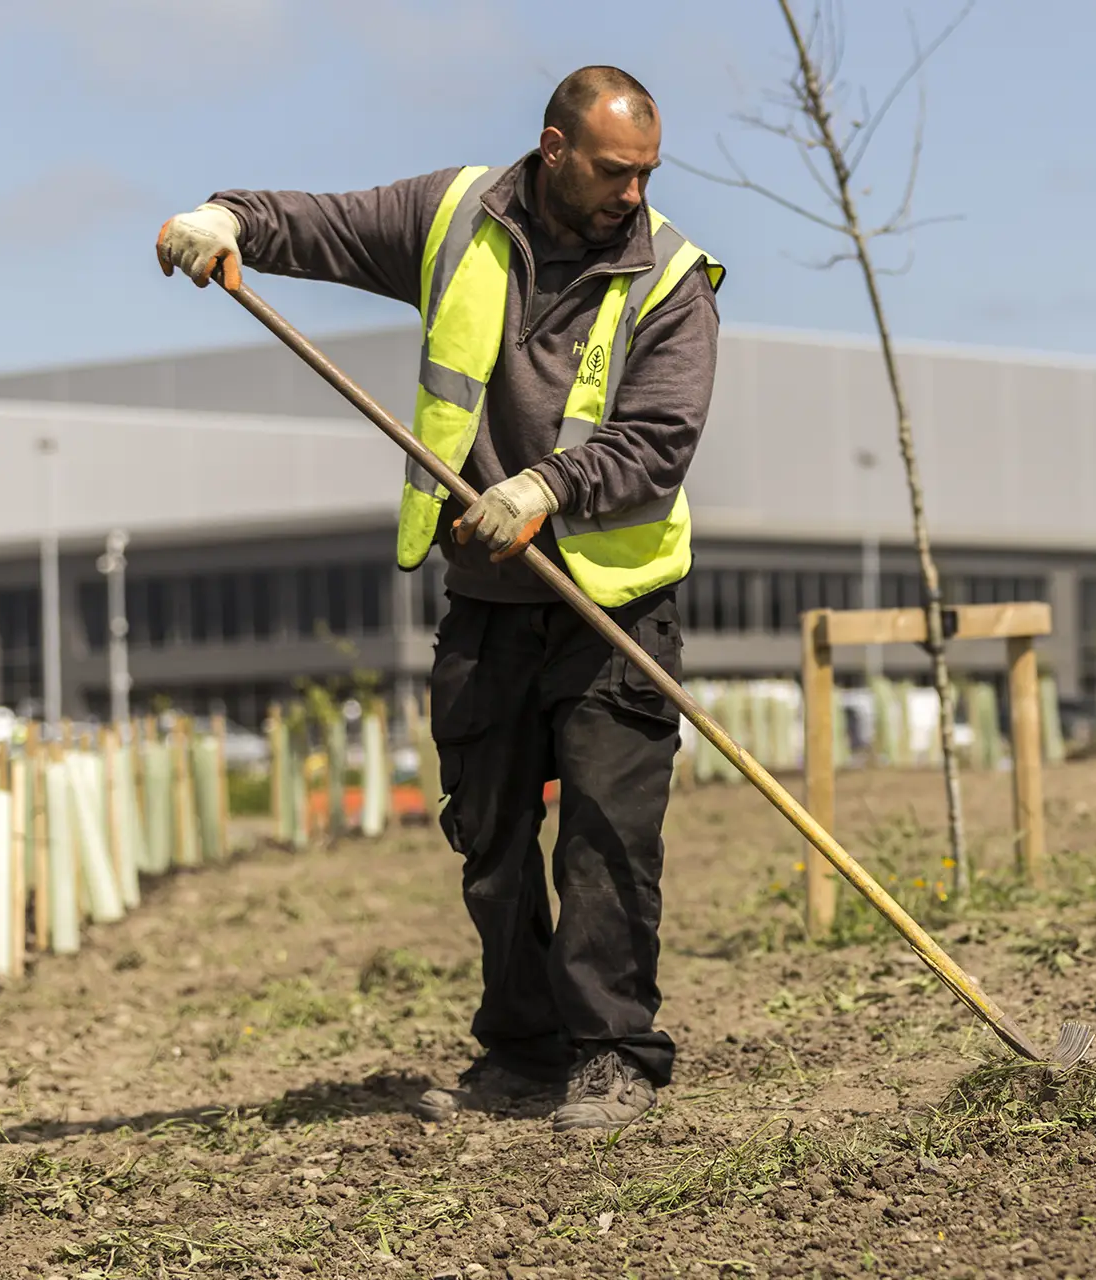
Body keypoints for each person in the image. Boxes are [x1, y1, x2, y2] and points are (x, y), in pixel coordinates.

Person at [156, 66, 723, 1132]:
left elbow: (659, 440)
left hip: (617, 605)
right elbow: (323, 227)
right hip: (486, 596)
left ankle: (614, 1054)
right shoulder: (455, 216)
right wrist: (224, 216)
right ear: (554, 149)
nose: (633, 193)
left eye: (647, 172)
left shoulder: (673, 279)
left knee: (605, 835)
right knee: (492, 834)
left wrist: (549, 485)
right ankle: (521, 1050)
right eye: (613, 171)